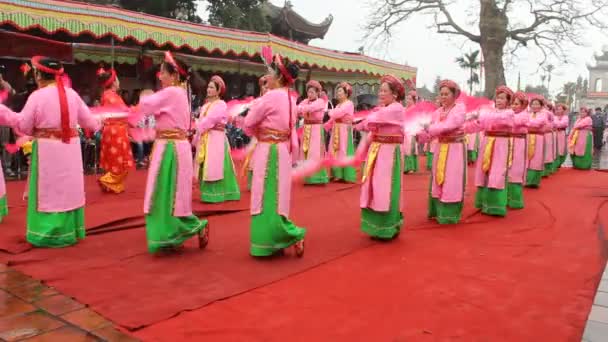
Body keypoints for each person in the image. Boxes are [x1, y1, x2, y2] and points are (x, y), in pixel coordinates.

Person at [0, 56, 101, 247]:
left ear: (38, 75)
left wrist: (5, 114)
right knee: (68, 188)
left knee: (48, 189)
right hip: (70, 149)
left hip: (47, 149)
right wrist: (101, 122)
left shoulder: (37, 97)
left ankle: (46, 233)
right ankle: (69, 230)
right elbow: (91, 123)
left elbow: (25, 125)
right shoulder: (72, 94)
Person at [135, 51, 208, 253]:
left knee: (165, 192)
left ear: (175, 75)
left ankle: (178, 231)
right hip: (173, 145)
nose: (160, 76)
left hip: (170, 148)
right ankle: (178, 231)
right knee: (171, 193)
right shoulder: (179, 93)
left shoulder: (172, 92)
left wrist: (145, 92)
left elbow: (146, 106)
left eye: (162, 73)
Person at [243, 54, 305, 257]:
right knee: (278, 195)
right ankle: (279, 235)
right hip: (282, 150)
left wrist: (258, 133)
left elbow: (249, 123)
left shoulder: (270, 97)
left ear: (278, 76)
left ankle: (271, 239)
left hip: (268, 149)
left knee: (264, 193)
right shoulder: (290, 97)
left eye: (269, 73)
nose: (266, 76)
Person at [356, 75, 405, 240]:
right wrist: (356, 123)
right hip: (377, 150)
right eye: (380, 90)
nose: (381, 93)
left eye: (385, 91)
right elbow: (368, 124)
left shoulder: (396, 108)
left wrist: (359, 120)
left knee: (385, 188)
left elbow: (373, 119)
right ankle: (375, 227)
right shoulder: (382, 109)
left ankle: (387, 227)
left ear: (395, 94)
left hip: (388, 153)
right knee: (373, 186)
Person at [422, 80, 466, 224]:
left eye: (447, 94)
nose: (443, 96)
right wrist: (421, 133)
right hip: (440, 148)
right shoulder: (437, 112)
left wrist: (431, 128)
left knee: (451, 178)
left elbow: (451, 125)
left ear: (454, 95)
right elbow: (432, 133)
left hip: (454, 149)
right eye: (441, 94)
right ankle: (437, 211)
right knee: (438, 177)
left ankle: (449, 215)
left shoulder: (459, 109)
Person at [193, 75, 240, 203]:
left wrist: (197, 127)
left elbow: (210, 120)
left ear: (218, 91)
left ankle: (221, 194)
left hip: (216, 139)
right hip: (206, 138)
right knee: (207, 165)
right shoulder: (206, 105)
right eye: (208, 87)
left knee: (217, 165)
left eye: (212, 87)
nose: (208, 89)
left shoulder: (220, 105)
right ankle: (208, 194)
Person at [473, 86, 514, 217]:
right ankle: (483, 203)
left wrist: (481, 115)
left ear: (508, 101)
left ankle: (496, 206)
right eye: (498, 97)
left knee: (497, 172)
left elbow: (495, 120)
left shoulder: (509, 113)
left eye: (502, 98)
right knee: (484, 170)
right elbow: (480, 124)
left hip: (501, 143)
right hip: (487, 141)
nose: (499, 100)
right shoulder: (490, 112)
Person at [96, 68, 135, 193]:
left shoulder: (108, 95)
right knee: (118, 161)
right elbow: (124, 113)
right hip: (115, 131)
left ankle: (113, 185)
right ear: (113, 82)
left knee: (114, 160)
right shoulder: (111, 96)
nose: (119, 82)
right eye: (117, 79)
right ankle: (107, 180)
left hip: (113, 130)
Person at [296, 80, 329, 185]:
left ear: (317, 93)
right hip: (306, 129)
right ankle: (308, 177)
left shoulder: (320, 102)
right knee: (306, 152)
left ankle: (318, 178)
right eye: (308, 92)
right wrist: (302, 109)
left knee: (315, 153)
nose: (310, 94)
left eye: (312, 92)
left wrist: (302, 109)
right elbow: (297, 109)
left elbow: (311, 108)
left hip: (316, 129)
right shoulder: (305, 101)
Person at [325, 82, 356, 183]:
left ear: (346, 94)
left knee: (343, 150)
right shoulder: (338, 105)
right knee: (334, 150)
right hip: (336, 129)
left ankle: (344, 175)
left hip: (344, 130)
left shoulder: (349, 104)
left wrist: (329, 112)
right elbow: (333, 118)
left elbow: (338, 114)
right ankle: (336, 174)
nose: (338, 94)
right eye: (337, 91)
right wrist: (325, 126)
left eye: (340, 92)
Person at [507, 91, 529, 209]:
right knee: (507, 170)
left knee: (516, 171)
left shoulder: (524, 115)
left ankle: (515, 200)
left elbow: (514, 122)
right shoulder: (509, 114)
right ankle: (506, 198)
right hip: (509, 142)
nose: (513, 106)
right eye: (512, 104)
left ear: (523, 105)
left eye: (516, 104)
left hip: (519, 144)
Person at [525, 97, 548, 188]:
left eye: (537, 104)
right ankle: (526, 180)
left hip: (538, 138)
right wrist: (530, 123)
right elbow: (526, 122)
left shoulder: (543, 114)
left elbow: (538, 123)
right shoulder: (527, 114)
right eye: (533, 104)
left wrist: (528, 123)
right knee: (527, 158)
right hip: (528, 137)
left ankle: (534, 181)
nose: (535, 106)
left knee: (536, 159)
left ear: (541, 106)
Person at [402, 91, 419, 174]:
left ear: (413, 100)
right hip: (404, 131)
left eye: (409, 99)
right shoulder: (404, 109)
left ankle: (411, 167)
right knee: (405, 149)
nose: (407, 101)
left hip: (412, 131)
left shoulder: (415, 109)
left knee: (411, 149)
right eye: (406, 99)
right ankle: (406, 167)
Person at [554, 103, 570, 167]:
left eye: (560, 109)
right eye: (557, 109)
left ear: (563, 110)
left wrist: (556, 123)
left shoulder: (566, 117)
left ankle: (559, 162)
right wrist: (558, 123)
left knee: (561, 148)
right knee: (554, 148)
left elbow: (564, 124)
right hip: (554, 133)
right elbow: (554, 124)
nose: (558, 111)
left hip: (561, 134)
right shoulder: (553, 117)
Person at [542, 105, 556, 177]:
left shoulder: (549, 113)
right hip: (541, 135)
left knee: (547, 153)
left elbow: (553, 123)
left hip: (547, 135)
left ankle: (546, 171)